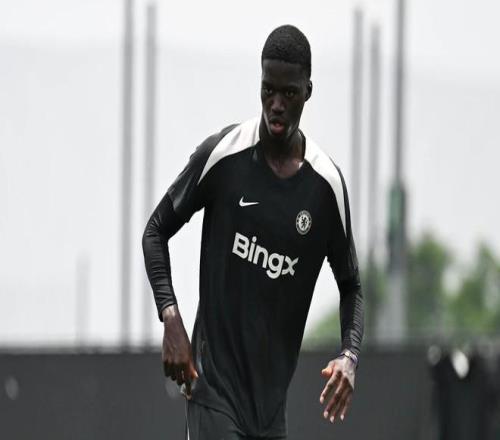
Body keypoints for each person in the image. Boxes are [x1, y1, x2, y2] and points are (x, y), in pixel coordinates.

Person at [143, 24, 364, 440]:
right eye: (268, 90)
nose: (276, 105)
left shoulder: (325, 188)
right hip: (213, 393)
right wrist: (171, 318)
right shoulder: (224, 155)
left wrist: (349, 356)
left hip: (269, 414)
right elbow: (155, 231)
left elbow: (351, 286)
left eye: (289, 93)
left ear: (308, 91)